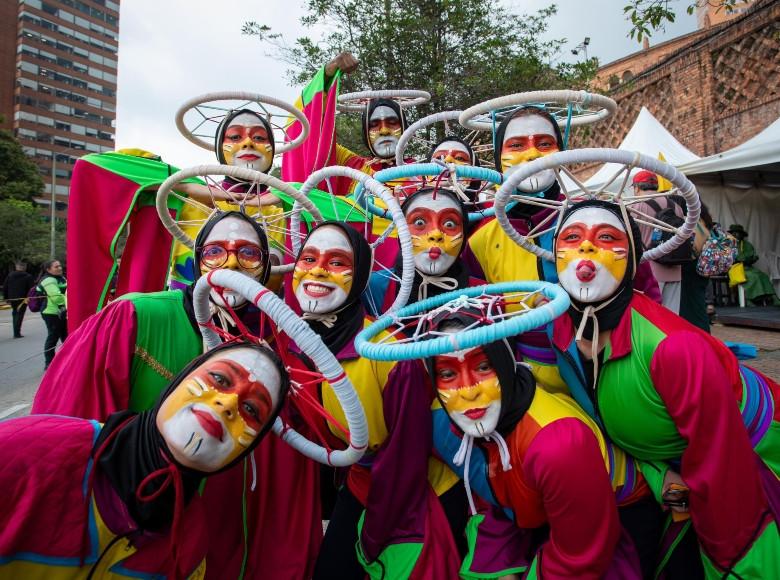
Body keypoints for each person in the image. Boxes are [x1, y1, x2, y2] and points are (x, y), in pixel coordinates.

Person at [33, 210, 322, 580]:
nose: (231, 262)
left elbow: (288, 476)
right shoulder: (135, 316)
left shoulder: (275, 347)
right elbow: (66, 426)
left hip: (222, 539)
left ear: (266, 269)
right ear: (198, 260)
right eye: (216, 251)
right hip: (125, 539)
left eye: (249, 253)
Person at [549, 199, 780, 577]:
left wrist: (734, 565)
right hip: (667, 482)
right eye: (572, 237)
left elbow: (725, 477)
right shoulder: (558, 332)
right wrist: (658, 474)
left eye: (606, 237)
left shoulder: (673, 348)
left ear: (632, 258)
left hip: (750, 471)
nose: (586, 248)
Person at [0, 341, 287, 579]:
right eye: (220, 379)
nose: (227, 404)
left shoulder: (190, 547)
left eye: (251, 408)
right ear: (178, 380)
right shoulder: (23, 451)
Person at [291, 222, 461, 579]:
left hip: (418, 491)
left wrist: (374, 533)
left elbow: (405, 458)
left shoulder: (390, 354)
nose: (318, 269)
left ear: (361, 275)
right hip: (358, 481)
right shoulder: (292, 344)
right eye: (308, 258)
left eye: (337, 261)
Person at [427, 311, 647, 578]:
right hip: (527, 517)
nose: (469, 390)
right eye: (448, 373)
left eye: (484, 367)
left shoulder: (558, 444)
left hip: (612, 520)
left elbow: (581, 557)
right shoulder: (442, 423)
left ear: (505, 363)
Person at [728, 223, 779, 306]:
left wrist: (750, 258)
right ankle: (749, 299)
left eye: (738, 233)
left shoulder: (747, 244)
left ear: (742, 234)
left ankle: (773, 297)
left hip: (747, 267)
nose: (736, 234)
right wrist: (740, 258)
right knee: (751, 276)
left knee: (763, 276)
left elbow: (752, 255)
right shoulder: (727, 244)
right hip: (734, 268)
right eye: (734, 232)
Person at [37, 259, 67, 369]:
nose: (60, 268)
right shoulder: (48, 280)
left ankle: (69, 360)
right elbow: (56, 297)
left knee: (67, 337)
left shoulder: (60, 278)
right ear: (48, 269)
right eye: (56, 267)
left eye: (60, 266)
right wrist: (68, 303)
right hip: (52, 313)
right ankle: (49, 363)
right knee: (53, 337)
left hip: (62, 312)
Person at [2, 261, 33, 338]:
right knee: (20, 314)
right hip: (23, 299)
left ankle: (15, 331)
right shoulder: (28, 276)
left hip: (12, 298)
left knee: (15, 313)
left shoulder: (10, 275)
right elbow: (31, 289)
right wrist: (30, 298)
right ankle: (17, 332)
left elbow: (5, 287)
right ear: (24, 267)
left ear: (16, 267)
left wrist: (6, 298)